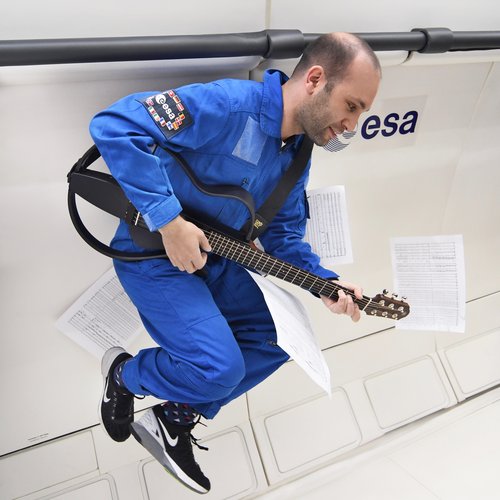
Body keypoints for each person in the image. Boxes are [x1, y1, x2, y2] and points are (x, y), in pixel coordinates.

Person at [91, 32, 381, 494]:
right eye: (351, 105)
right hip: (152, 255)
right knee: (218, 369)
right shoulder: (227, 105)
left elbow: (284, 235)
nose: (350, 124)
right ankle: (125, 375)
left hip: (216, 258)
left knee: (280, 337)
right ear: (316, 79)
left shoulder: (298, 154)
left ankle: (176, 415)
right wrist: (169, 222)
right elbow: (113, 126)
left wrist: (326, 282)